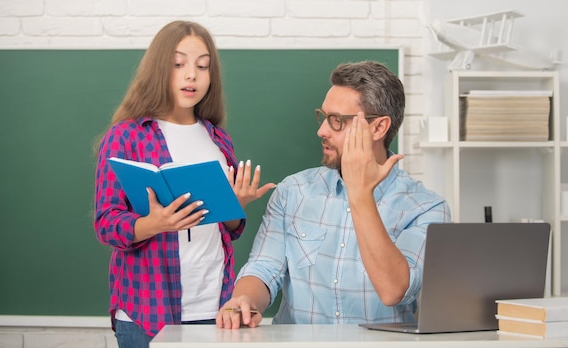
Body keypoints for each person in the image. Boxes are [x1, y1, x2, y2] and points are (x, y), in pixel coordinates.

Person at [216, 61, 451, 329]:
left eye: (337, 121)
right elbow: (263, 269)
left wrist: (360, 192)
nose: (322, 131)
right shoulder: (293, 191)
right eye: (324, 116)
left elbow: (394, 290)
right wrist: (244, 300)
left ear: (378, 128)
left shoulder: (426, 207)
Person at [93, 21, 275, 347]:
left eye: (202, 66)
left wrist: (236, 205)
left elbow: (228, 228)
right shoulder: (126, 135)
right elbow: (106, 223)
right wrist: (152, 224)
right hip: (148, 312)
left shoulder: (217, 138)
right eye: (179, 64)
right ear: (158, 69)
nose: (191, 74)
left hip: (216, 306)